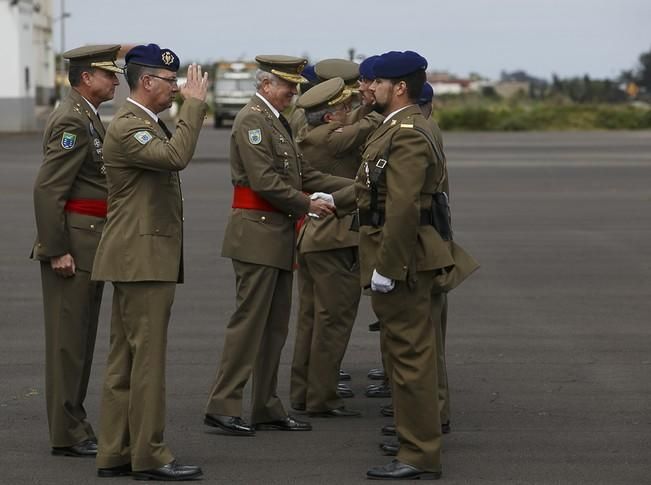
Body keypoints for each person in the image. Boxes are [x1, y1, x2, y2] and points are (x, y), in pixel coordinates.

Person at [203, 55, 353, 437]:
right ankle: (222, 405)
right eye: (287, 84)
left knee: (274, 328)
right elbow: (265, 181)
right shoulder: (253, 119)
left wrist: (359, 190)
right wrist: (308, 204)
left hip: (276, 234)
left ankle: (266, 406)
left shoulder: (276, 119)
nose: (293, 91)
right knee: (248, 325)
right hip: (256, 234)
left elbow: (305, 173)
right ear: (267, 84)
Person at [91, 44, 208, 481]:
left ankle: (115, 451)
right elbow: (175, 157)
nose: (177, 87)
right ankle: (150, 455)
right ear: (146, 82)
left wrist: (184, 109)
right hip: (141, 259)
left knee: (125, 360)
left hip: (136, 257)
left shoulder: (144, 123)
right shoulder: (129, 126)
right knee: (146, 361)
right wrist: (194, 107)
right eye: (170, 80)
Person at [348, 50, 460, 480]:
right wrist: (333, 199)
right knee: (406, 355)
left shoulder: (408, 132)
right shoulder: (398, 127)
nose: (369, 88)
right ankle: (414, 441)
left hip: (405, 260)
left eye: (377, 83)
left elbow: (403, 207)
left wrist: (388, 268)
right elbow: (372, 188)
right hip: (402, 255)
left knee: (410, 358)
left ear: (398, 88)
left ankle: (418, 454)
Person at [32, 44, 123, 458]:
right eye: (109, 75)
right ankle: (66, 433)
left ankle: (74, 426)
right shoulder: (72, 118)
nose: (116, 81)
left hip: (89, 241)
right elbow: (49, 188)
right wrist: (56, 250)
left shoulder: (86, 115)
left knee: (81, 341)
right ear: (87, 77)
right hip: (72, 245)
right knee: (69, 344)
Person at [289, 77, 383, 417]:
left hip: (315, 238)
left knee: (311, 321)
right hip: (336, 238)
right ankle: (323, 397)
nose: (350, 111)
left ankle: (303, 392)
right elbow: (369, 123)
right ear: (329, 118)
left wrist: (363, 101)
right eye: (344, 108)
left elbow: (357, 122)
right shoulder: (331, 139)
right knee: (334, 322)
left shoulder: (313, 133)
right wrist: (374, 100)